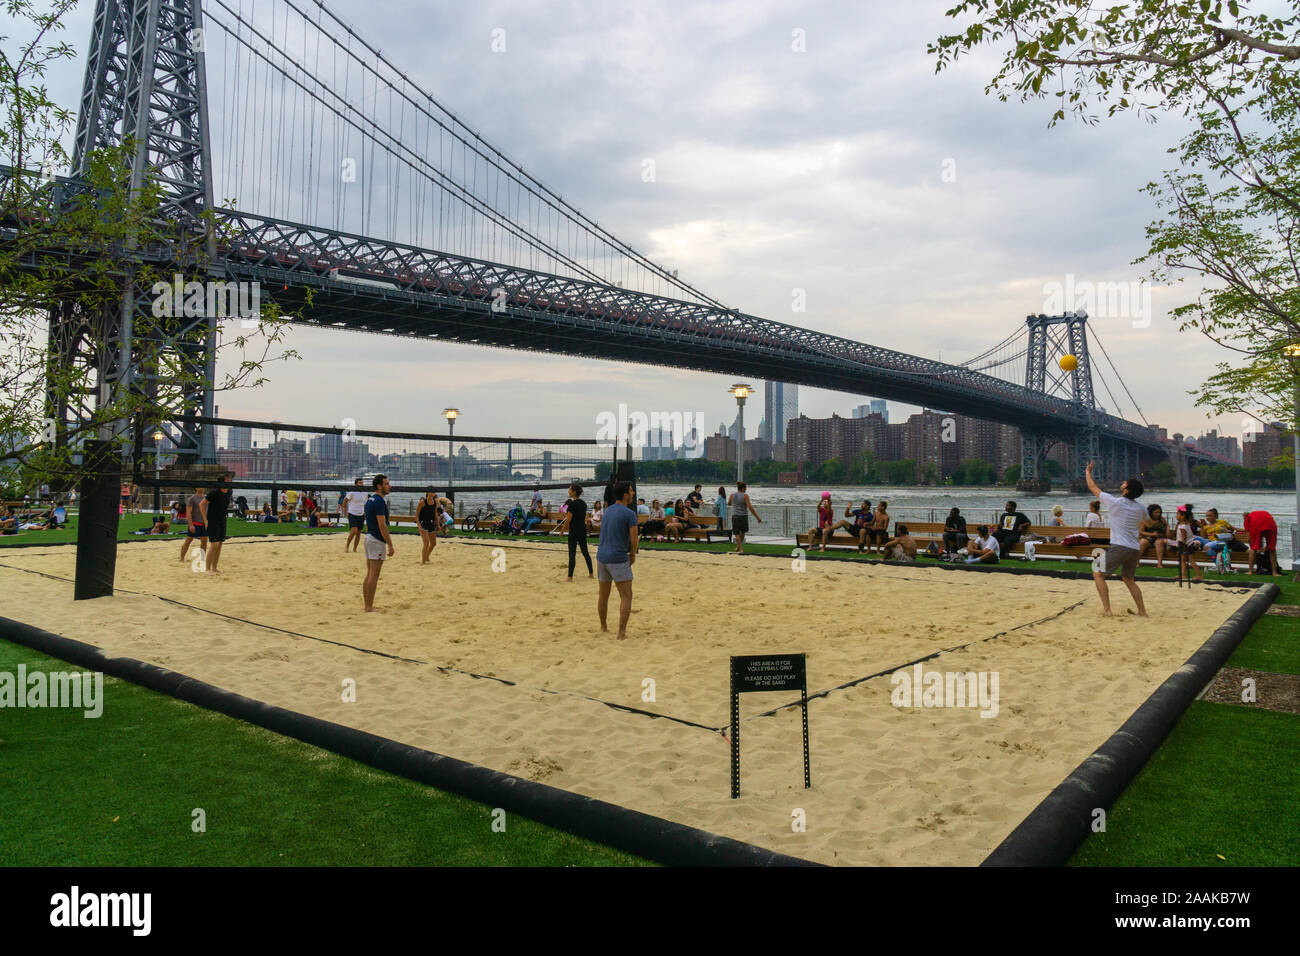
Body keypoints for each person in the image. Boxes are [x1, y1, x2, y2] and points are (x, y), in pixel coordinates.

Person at [1085, 461, 1148, 617]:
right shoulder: (1141, 508)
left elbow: (1093, 487)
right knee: (1128, 579)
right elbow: (1146, 521)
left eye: (1124, 483)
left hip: (1120, 546)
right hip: (1134, 548)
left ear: (1126, 489)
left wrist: (1088, 472)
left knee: (1098, 573)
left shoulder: (1114, 502)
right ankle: (1142, 612)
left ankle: (1107, 610)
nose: (1122, 483)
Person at [596, 481, 638, 639]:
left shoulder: (607, 511)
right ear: (626, 495)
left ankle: (603, 627)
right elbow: (634, 541)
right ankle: (621, 633)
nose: (633, 493)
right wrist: (632, 555)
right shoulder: (629, 514)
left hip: (602, 556)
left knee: (603, 595)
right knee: (626, 596)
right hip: (617, 558)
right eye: (631, 491)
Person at [362, 474, 395, 611]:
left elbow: (369, 521)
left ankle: (367, 605)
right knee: (373, 575)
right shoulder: (379, 501)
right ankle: (369, 607)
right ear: (379, 486)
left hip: (369, 537)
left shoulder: (370, 500)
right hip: (376, 540)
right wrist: (390, 544)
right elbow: (382, 525)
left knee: (369, 573)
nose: (389, 486)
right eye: (386, 484)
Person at [558, 483, 593, 581]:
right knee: (585, 551)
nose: (568, 491)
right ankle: (591, 573)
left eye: (569, 489)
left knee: (572, 553)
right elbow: (583, 516)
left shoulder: (572, 504)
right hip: (582, 529)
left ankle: (570, 577)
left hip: (574, 530)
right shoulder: (583, 503)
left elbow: (568, 519)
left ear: (574, 492)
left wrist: (562, 530)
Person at [201, 474, 233, 574]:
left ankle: (214, 568)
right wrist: (205, 520)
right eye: (228, 479)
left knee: (219, 545)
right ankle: (207, 569)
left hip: (222, 520)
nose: (230, 481)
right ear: (223, 481)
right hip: (212, 520)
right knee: (214, 545)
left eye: (230, 479)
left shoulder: (229, 492)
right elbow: (202, 504)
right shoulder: (214, 492)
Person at [417, 488, 451, 564]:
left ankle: (427, 556)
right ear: (428, 493)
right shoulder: (422, 502)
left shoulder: (435, 502)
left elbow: (436, 514)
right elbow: (416, 514)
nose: (434, 493)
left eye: (434, 492)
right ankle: (423, 562)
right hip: (423, 523)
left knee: (433, 543)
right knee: (426, 543)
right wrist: (418, 525)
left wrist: (438, 525)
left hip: (431, 523)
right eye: (432, 492)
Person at [1242, 510, 1280, 576]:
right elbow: (1270, 544)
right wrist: (1265, 548)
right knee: (1272, 549)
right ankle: (1274, 572)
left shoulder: (1248, 518)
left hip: (1256, 524)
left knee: (1253, 548)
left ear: (1245, 516)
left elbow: (1250, 536)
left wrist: (1252, 544)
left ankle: (1250, 571)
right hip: (1270, 524)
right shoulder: (1262, 513)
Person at [728, 481, 760, 554]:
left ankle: (739, 547)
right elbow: (750, 507)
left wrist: (734, 503)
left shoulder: (732, 495)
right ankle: (740, 548)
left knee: (736, 533)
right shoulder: (745, 496)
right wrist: (757, 517)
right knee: (742, 532)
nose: (746, 489)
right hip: (743, 516)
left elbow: (729, 503)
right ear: (742, 489)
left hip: (735, 516)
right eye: (745, 488)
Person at [1174, 507, 1204, 582]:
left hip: (1185, 544)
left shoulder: (1182, 526)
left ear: (1183, 516)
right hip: (1187, 543)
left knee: (1190, 560)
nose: (1176, 516)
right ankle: (1183, 574)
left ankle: (1199, 575)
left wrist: (1183, 546)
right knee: (1183, 559)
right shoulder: (1185, 524)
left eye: (1177, 514)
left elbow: (1184, 537)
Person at [180, 484, 208, 564]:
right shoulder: (192, 498)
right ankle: (182, 558)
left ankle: (203, 559)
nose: (203, 487)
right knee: (188, 540)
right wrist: (191, 525)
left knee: (204, 541)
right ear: (196, 488)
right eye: (200, 486)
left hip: (204, 523)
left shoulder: (206, 498)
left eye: (203, 486)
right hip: (195, 523)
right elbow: (188, 513)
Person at [343, 478, 368, 552]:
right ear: (356, 484)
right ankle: (347, 546)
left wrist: (366, 514)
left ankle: (355, 548)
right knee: (354, 531)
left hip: (361, 514)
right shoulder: (352, 492)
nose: (361, 484)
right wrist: (346, 512)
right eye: (360, 483)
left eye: (362, 483)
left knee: (359, 533)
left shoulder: (365, 493)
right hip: (352, 513)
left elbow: (365, 504)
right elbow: (344, 501)